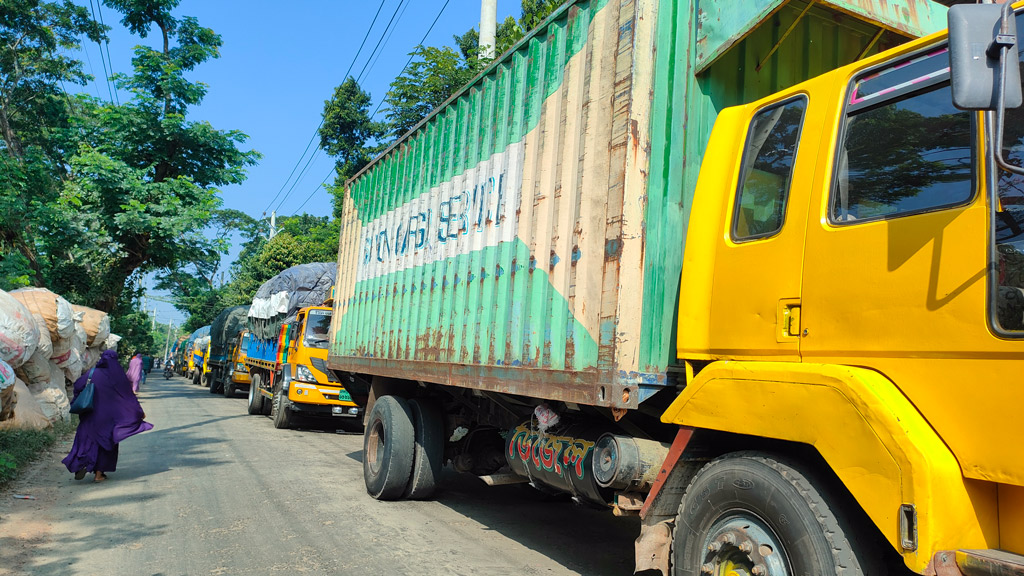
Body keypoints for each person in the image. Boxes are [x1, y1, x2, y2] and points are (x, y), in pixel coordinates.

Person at [62, 350, 153, 483]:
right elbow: (128, 397)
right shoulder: (118, 377)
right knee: (106, 443)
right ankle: (99, 474)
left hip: (90, 414)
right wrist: (138, 412)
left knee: (86, 439)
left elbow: (78, 386)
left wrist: (77, 400)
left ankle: (81, 464)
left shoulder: (92, 373)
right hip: (110, 418)